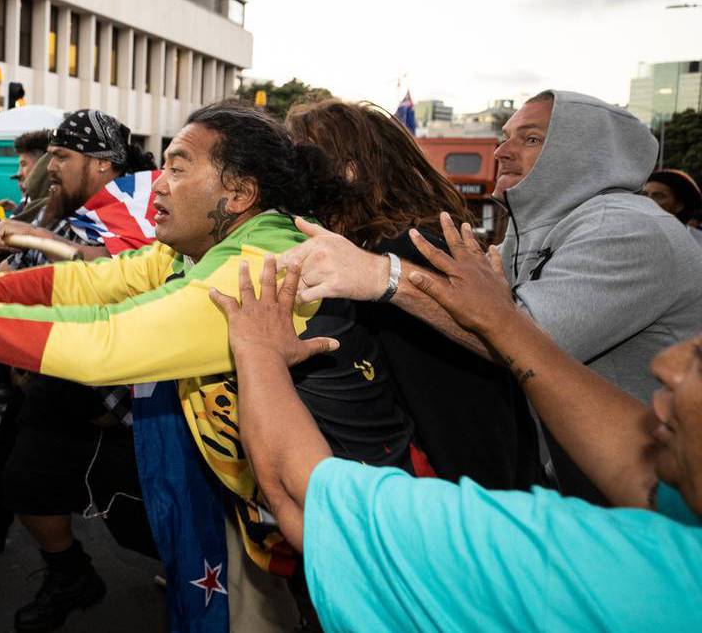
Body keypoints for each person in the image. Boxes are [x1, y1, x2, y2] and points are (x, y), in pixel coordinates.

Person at [0, 101, 422, 631]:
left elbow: (104, 341)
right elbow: (80, 285)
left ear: (239, 194)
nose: (155, 184)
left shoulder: (259, 267)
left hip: (369, 540)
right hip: (288, 515)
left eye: (178, 169)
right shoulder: (200, 245)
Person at [211, 218, 702, 632]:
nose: (669, 363)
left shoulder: (589, 567)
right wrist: (483, 315)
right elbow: (640, 470)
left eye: (700, 359)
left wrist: (258, 350)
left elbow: (304, 499)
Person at [282, 91, 702, 497]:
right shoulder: (535, 232)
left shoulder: (626, 228)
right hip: (588, 485)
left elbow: (524, 340)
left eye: (532, 138)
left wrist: (382, 276)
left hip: (657, 493)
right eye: (506, 135)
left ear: (587, 154)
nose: (502, 150)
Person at [0, 111, 158, 632]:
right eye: (50, 155)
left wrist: (31, 236)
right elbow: (12, 280)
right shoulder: (77, 210)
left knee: (125, 511)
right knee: (7, 471)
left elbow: (109, 272)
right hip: (60, 377)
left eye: (61, 157)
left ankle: (214, 577)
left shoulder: (126, 212)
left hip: (108, 390)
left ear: (102, 164)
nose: (48, 169)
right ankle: (6, 566)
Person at [285, 99, 545, 490]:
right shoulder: (381, 246)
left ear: (348, 172)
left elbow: (463, 408)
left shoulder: (410, 252)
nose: (289, 172)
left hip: (459, 501)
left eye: (301, 154)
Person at [645, 168, 702, 245]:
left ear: (678, 205)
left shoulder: (697, 242)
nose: (647, 200)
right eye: (644, 194)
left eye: (658, 196)